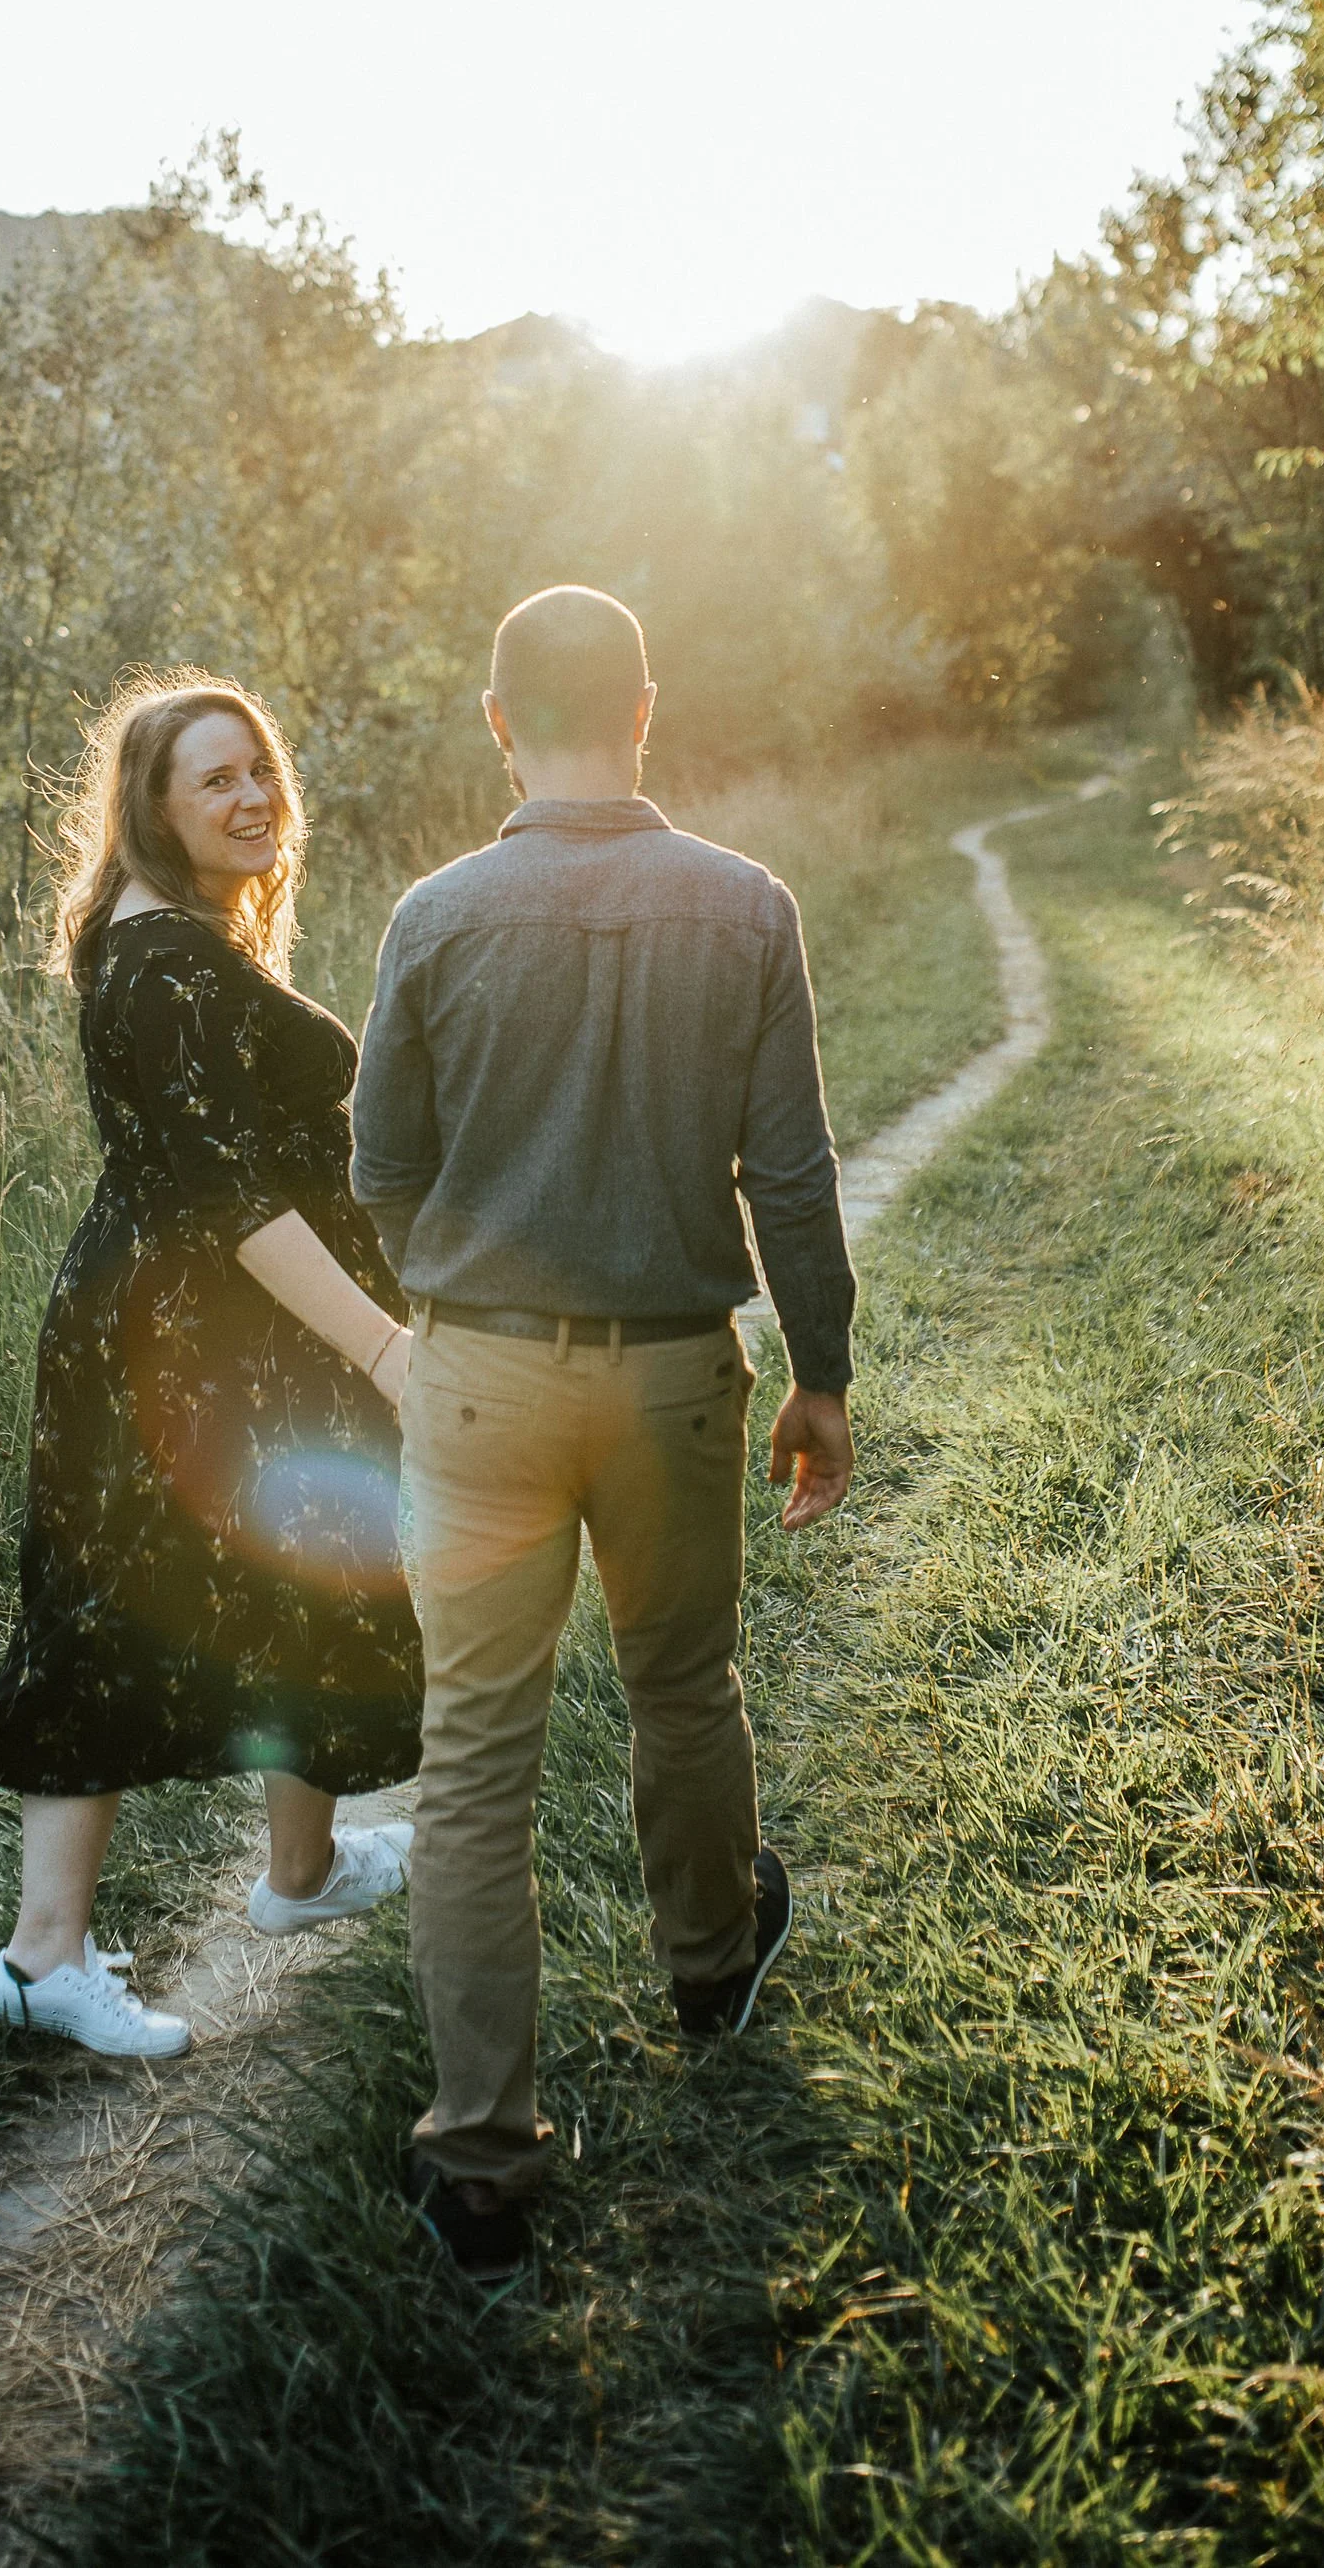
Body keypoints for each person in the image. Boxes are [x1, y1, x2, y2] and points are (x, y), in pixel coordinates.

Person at [351, 585, 856, 2274]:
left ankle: (483, 2162)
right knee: (682, 1682)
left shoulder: (433, 915)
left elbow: (379, 1169)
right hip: (669, 1378)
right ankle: (712, 1968)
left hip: (480, 1380)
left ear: (498, 719)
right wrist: (823, 1375)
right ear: (648, 706)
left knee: (475, 1766)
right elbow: (789, 1171)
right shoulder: (746, 905)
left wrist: (458, 1285)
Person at [0, 673, 423, 2059]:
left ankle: (301, 1877)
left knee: (309, 1570)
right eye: (213, 779)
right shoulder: (163, 965)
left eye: (259, 768)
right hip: (177, 1352)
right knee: (109, 1618)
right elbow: (232, 1203)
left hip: (241, 1343)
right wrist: (386, 1346)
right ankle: (41, 1961)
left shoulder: (181, 944)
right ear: (151, 811)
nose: (252, 795)